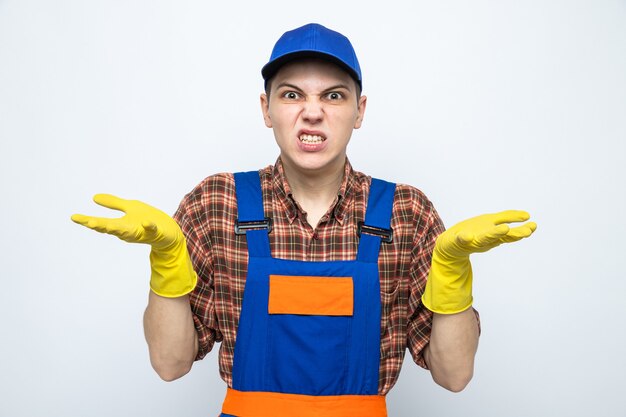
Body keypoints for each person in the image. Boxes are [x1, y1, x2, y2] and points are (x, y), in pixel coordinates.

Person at [72, 23, 536, 417]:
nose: (312, 112)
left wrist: (451, 272)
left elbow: (454, 376)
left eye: (333, 95)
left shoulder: (406, 212)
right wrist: (167, 261)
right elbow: (170, 364)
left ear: (360, 111)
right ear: (266, 109)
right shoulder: (216, 202)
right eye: (292, 94)